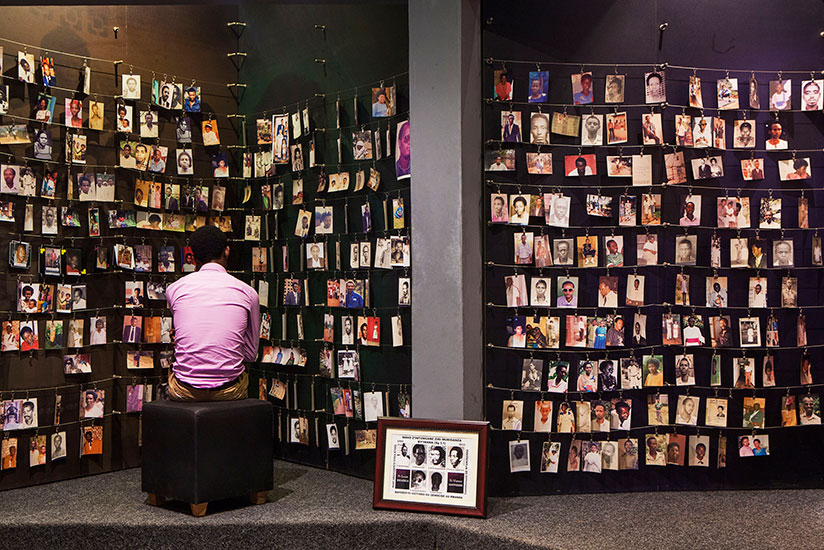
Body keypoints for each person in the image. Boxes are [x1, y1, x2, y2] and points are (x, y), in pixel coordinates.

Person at [165, 226, 260, 401]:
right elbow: (251, 354)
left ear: (193, 257)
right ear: (227, 251)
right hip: (229, 389)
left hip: (184, 390)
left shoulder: (174, 290)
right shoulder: (248, 293)